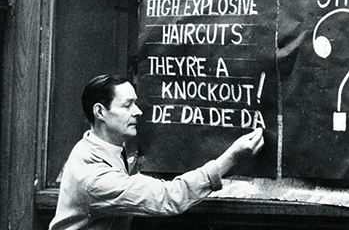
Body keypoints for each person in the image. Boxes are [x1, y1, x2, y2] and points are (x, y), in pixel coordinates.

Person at [49, 74, 264, 230]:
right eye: (127, 106)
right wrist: (232, 157)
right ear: (100, 112)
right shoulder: (95, 179)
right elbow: (168, 198)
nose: (138, 111)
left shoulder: (91, 145)